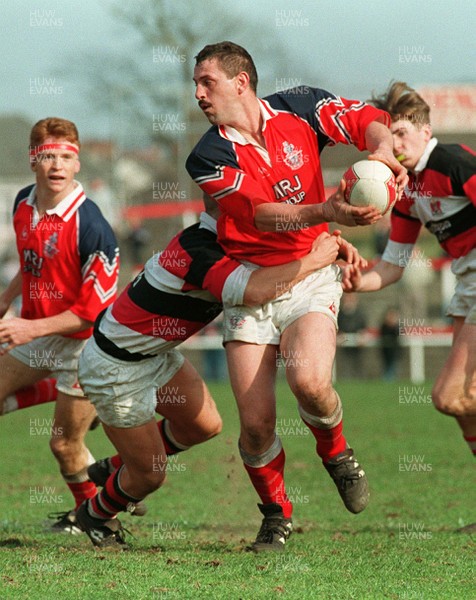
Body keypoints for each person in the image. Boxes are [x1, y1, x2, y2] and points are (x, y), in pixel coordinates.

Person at [185, 41, 407, 552]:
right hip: (253, 284)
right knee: (257, 426)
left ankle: (337, 453)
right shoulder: (208, 154)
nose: (198, 93)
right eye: (196, 84)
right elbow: (260, 214)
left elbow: (369, 119)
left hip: (311, 276)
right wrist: (328, 212)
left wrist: (379, 153)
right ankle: (276, 515)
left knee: (310, 382)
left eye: (206, 82)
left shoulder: (300, 107)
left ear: (241, 82)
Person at [76, 195, 359, 548]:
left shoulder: (237, 239)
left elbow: (282, 252)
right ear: (230, 208)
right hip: (115, 366)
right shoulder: (200, 248)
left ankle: (116, 466)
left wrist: (330, 245)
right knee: (150, 475)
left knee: (205, 425)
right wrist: (316, 257)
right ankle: (97, 513)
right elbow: (256, 289)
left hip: (151, 354)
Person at [342, 81, 475, 459]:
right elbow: (392, 265)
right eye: (389, 135)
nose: (395, 144)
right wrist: (356, 280)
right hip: (467, 284)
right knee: (461, 407)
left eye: (402, 133)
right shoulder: (405, 190)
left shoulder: (452, 162)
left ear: (425, 132)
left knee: (451, 394)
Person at [0, 118, 119, 533]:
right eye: (47, 155)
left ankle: (98, 519)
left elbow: (89, 313)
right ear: (33, 160)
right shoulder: (22, 203)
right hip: (38, 333)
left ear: (78, 163)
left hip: (83, 345)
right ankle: (54, 390)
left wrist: (27, 329)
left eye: (66, 156)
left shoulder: (92, 227)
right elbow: (33, 265)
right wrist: (4, 301)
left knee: (64, 445)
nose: (56, 165)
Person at [337, 293, 368, 379]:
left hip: (358, 345)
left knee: (358, 365)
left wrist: (362, 335)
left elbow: (363, 327)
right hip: (344, 344)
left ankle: (360, 379)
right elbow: (337, 327)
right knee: (345, 365)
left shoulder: (360, 313)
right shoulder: (340, 314)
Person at [378, 306, 401, 381]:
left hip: (394, 351)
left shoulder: (397, 326)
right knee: (386, 366)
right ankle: (387, 379)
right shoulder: (384, 326)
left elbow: (398, 334)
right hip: (385, 351)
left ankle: (391, 379)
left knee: (392, 367)